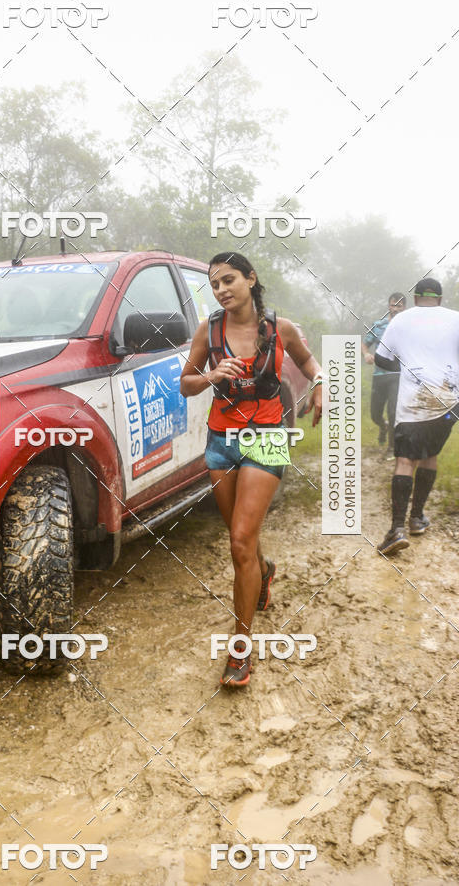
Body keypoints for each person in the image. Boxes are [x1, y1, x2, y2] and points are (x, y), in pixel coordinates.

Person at [180, 252, 323, 687]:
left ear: (250, 280)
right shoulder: (210, 330)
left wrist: (320, 388)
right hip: (221, 442)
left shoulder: (281, 329)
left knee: (240, 542)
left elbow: (309, 364)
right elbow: (185, 384)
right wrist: (210, 376)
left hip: (266, 437)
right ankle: (264, 570)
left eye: (229, 280)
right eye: (215, 284)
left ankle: (240, 651)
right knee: (242, 541)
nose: (222, 290)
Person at [375, 278, 459, 555]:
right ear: (440, 298)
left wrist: (406, 363)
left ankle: (396, 529)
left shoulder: (401, 320)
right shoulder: (455, 319)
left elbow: (381, 359)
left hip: (414, 400)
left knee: (405, 460)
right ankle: (417, 518)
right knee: (430, 454)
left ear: (415, 298)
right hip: (449, 403)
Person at [362, 292, 406, 454]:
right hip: (379, 375)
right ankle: (383, 426)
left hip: (398, 375)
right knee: (375, 414)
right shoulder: (379, 325)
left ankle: (391, 447)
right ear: (389, 306)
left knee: (394, 411)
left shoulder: (408, 327)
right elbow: (365, 344)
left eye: (399, 306)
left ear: (404, 308)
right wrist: (366, 354)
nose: (395, 309)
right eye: (393, 305)